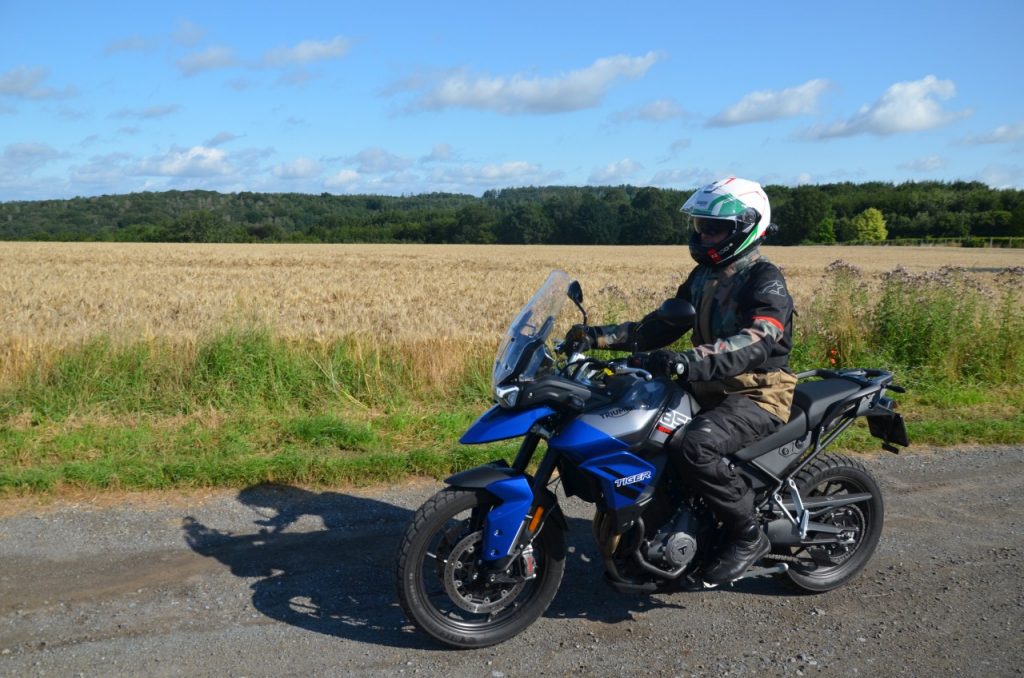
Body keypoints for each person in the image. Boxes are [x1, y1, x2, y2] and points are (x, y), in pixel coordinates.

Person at [567, 176, 795, 586]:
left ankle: (748, 535)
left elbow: (758, 339)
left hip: (757, 392)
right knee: (645, 435)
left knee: (696, 445)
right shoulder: (704, 276)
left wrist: (687, 361)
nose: (704, 234)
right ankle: (657, 533)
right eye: (700, 226)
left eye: (715, 228)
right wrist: (596, 336)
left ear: (746, 226)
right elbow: (660, 326)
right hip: (705, 385)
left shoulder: (765, 279)